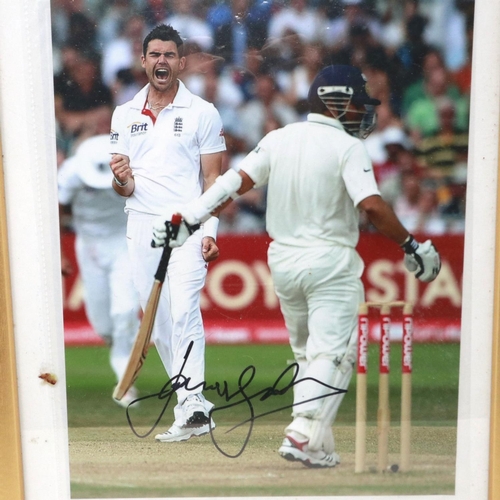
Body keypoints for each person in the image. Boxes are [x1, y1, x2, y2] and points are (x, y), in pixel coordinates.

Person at [152, 65, 441, 467]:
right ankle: (303, 432)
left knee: (307, 353)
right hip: (331, 263)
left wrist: (188, 219)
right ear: (337, 101)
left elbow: (233, 183)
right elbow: (372, 205)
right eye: (357, 104)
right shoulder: (347, 147)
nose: (362, 113)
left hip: (283, 264)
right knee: (334, 354)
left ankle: (315, 443)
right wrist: (411, 246)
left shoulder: (279, 138)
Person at [109, 24, 226, 443]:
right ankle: (192, 405)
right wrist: (120, 179)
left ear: (181, 61)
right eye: (154, 54)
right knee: (156, 324)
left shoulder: (203, 112)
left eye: (169, 55)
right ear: (143, 61)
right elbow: (124, 187)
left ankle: (193, 403)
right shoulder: (124, 114)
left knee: (183, 310)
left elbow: (214, 179)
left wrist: (210, 227)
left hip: (186, 225)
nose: (162, 61)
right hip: (140, 225)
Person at [58, 125, 140, 408]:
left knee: (124, 311)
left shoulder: (133, 169)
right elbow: (57, 207)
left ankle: (125, 381)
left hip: (123, 242)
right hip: (89, 246)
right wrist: (59, 252)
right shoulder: (69, 173)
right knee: (103, 325)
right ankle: (124, 340)